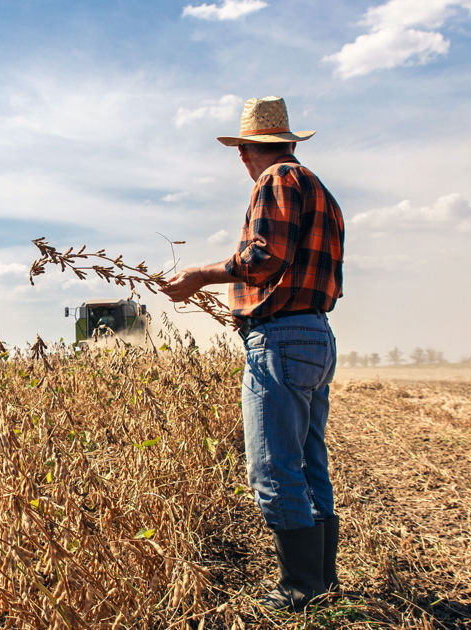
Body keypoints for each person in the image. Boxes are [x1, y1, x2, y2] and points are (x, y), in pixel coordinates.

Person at [160, 96, 345, 611]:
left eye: (242, 150)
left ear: (250, 150)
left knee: (272, 467)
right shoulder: (320, 190)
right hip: (315, 333)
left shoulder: (277, 181)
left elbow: (264, 258)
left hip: (281, 337)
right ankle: (322, 583)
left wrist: (199, 275)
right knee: (309, 462)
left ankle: (299, 590)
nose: (242, 160)